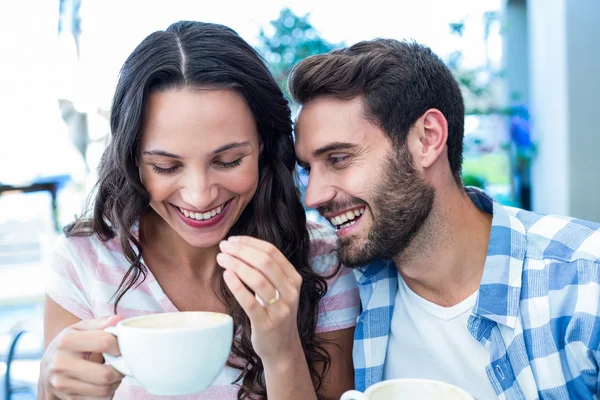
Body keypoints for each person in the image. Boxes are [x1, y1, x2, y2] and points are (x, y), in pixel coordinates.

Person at [39, 21, 359, 400]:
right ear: (132, 162)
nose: (200, 196)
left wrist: (282, 351)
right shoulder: (84, 260)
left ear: (264, 148)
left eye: (228, 160)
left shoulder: (319, 261)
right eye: (166, 167)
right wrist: (49, 388)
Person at [290, 39, 600, 399]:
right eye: (308, 169)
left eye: (339, 159)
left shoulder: (584, 282)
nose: (314, 196)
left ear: (427, 139)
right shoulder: (343, 288)